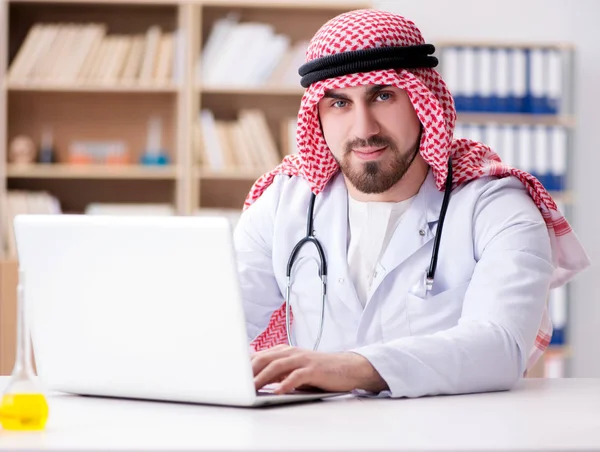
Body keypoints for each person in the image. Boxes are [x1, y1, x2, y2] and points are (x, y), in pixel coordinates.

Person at [233, 9, 590, 398]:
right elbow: (217, 327)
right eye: (339, 104)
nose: (364, 129)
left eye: (383, 96)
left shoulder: (497, 206)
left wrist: (353, 367)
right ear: (316, 115)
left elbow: (501, 345)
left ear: (422, 103)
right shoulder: (284, 202)